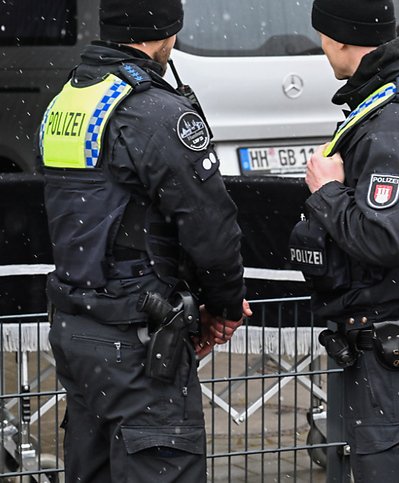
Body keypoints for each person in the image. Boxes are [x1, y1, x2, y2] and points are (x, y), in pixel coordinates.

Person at [38, 0, 251, 480]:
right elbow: (209, 226)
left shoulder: (67, 99)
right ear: (167, 31)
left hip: (77, 330)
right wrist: (224, 306)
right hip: (138, 339)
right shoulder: (154, 111)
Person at [287, 0, 399, 481]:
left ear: (337, 39)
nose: (322, 49)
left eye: (322, 37)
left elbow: (387, 238)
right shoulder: (384, 104)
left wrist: (325, 192)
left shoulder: (396, 121)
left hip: (394, 346)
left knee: (395, 467)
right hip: (379, 338)